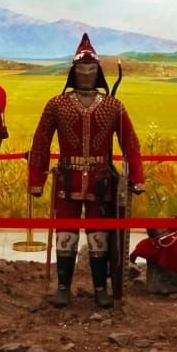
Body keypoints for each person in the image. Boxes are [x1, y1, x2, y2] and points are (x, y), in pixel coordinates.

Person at [29, 33, 144, 308]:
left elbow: (130, 142)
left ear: (99, 73)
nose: (86, 73)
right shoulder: (56, 104)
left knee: (99, 235)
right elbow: (41, 142)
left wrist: (137, 178)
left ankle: (100, 288)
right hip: (66, 179)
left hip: (100, 180)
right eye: (82, 68)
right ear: (73, 72)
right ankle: (63, 287)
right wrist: (36, 179)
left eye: (92, 69)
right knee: (65, 232)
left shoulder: (113, 106)